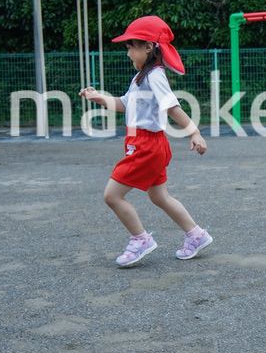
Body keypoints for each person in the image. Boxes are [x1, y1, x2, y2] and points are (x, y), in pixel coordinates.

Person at [79, 15, 212, 267]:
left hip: (146, 146)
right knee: (159, 197)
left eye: (131, 46)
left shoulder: (154, 76)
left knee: (112, 196)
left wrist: (194, 131)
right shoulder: (142, 76)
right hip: (148, 144)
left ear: (149, 47)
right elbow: (124, 104)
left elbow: (172, 107)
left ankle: (140, 239)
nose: (128, 53)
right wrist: (98, 98)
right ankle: (196, 235)